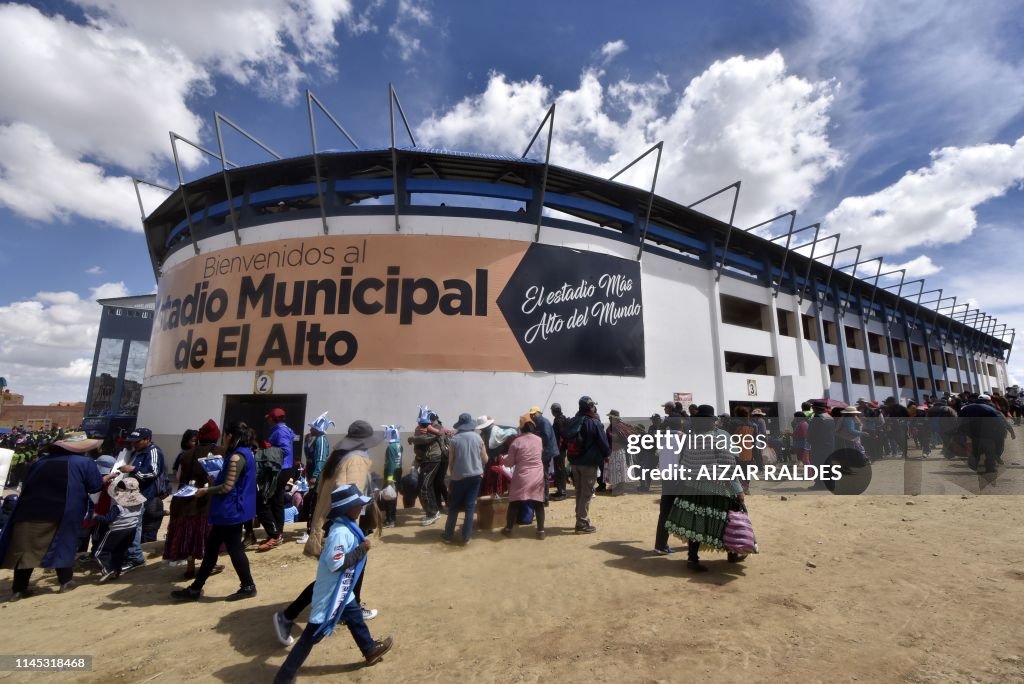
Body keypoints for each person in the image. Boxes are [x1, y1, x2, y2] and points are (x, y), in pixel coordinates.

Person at [273, 484, 393, 683]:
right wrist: (361, 550)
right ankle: (284, 676)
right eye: (357, 506)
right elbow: (336, 564)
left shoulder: (347, 527)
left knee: (355, 617)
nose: (360, 509)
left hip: (342, 590)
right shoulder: (340, 533)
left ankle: (369, 649)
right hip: (331, 593)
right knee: (311, 636)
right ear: (348, 509)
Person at [279, 420, 385, 635]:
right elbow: (348, 495)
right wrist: (353, 530)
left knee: (343, 571)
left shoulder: (340, 457)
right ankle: (288, 615)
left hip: (332, 520)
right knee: (338, 573)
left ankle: (348, 610)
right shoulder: (356, 460)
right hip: (344, 522)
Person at [0, 433, 104, 599]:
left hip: (28, 509)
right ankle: (66, 582)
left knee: (26, 549)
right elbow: (95, 487)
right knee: (63, 544)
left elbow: (26, 484)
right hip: (64, 510)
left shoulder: (40, 462)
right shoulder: (84, 463)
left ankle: (19, 589)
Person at [171, 421, 258, 601]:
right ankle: (196, 588)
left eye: (225, 435)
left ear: (230, 436)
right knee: (213, 549)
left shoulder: (235, 458)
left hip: (229, 510)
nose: (223, 439)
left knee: (233, 549)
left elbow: (227, 487)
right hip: (233, 510)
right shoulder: (246, 453)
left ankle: (248, 585)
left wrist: (206, 490)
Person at [664, 405, 749, 572]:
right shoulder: (720, 439)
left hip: (693, 488)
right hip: (717, 488)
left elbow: (684, 465)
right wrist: (738, 490)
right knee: (727, 521)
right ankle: (732, 553)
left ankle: (692, 559)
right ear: (712, 422)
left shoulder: (691, 439)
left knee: (696, 524)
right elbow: (729, 468)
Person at [164, 419, 225, 580]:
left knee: (188, 535)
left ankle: (190, 567)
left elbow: (179, 478)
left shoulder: (186, 455)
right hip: (208, 501)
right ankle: (209, 565)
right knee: (207, 535)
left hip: (185, 501)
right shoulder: (221, 452)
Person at [120, 427, 166, 564]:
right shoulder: (136, 452)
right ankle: (133, 554)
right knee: (132, 524)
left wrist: (133, 469)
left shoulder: (153, 452)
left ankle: (135, 557)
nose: (134, 444)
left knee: (136, 525)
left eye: (137, 441)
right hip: (132, 494)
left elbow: (153, 472)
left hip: (146, 495)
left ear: (147, 440)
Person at [564, 396, 610, 534]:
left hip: (574, 462)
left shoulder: (574, 421)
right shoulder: (593, 422)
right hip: (589, 463)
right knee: (587, 493)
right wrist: (607, 455)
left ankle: (580, 519)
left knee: (579, 492)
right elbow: (603, 442)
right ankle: (582, 523)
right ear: (590, 407)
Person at [441, 413, 486, 545]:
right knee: (470, 506)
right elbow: (485, 459)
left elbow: (451, 462)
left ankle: (448, 535)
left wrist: (452, 476)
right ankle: (466, 537)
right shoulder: (478, 438)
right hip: (476, 477)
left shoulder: (454, 439)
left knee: (454, 507)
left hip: (458, 477)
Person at [93, 478, 147, 583]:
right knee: (118, 552)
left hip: (115, 531)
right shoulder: (141, 504)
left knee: (99, 552)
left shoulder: (118, 506)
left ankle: (108, 570)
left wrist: (95, 516)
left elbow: (107, 519)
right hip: (131, 530)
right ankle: (116, 571)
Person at [502, 414, 546, 539]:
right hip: (537, 474)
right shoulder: (539, 440)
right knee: (538, 503)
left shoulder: (516, 442)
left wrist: (503, 460)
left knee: (515, 502)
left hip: (522, 475)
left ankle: (508, 529)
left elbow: (509, 463)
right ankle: (541, 531)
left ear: (521, 428)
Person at [258, 408, 296, 552]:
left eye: (269, 418)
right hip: (284, 468)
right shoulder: (283, 429)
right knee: (277, 500)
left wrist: (268, 448)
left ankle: (274, 534)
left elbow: (285, 449)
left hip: (279, 469)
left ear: (273, 419)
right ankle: (277, 533)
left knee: (264, 500)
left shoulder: (280, 431)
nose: (267, 420)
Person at [298, 412, 334, 545]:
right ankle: (315, 530)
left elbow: (320, 459)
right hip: (314, 476)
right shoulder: (313, 439)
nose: (310, 429)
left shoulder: (321, 440)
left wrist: (315, 475)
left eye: (313, 428)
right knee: (315, 503)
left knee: (313, 504)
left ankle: (310, 532)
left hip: (319, 477)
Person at [409, 408, 446, 525]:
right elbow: (421, 440)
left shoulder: (437, 428)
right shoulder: (425, 429)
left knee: (425, 486)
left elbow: (426, 439)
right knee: (424, 486)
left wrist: (413, 438)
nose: (421, 424)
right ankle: (433, 511)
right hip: (427, 460)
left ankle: (433, 513)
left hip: (433, 460)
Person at [529, 406, 559, 504]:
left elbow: (545, 437)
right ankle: (543, 496)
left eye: (534, 414)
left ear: (539, 413)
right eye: (531, 414)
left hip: (546, 451)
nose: (532, 416)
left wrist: (538, 446)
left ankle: (545, 498)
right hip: (545, 450)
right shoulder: (539, 422)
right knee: (543, 474)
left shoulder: (543, 422)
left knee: (544, 474)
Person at [604, 410, 633, 495]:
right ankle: (616, 487)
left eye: (610, 417)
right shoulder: (610, 427)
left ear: (614, 418)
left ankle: (621, 489)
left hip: (620, 451)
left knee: (620, 470)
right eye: (609, 417)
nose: (609, 418)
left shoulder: (620, 426)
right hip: (613, 451)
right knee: (615, 470)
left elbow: (626, 439)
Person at [381, 424, 403, 528]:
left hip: (391, 476)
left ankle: (390, 520)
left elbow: (390, 463)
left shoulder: (390, 447)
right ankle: (392, 518)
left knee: (389, 497)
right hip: (397, 474)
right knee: (393, 496)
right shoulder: (399, 445)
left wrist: (389, 479)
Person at [550, 403, 569, 500]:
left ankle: (562, 492)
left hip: (559, 449)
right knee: (559, 469)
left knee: (560, 469)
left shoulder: (559, 420)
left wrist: (558, 448)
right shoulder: (561, 418)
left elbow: (562, 435)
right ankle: (560, 490)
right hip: (559, 448)